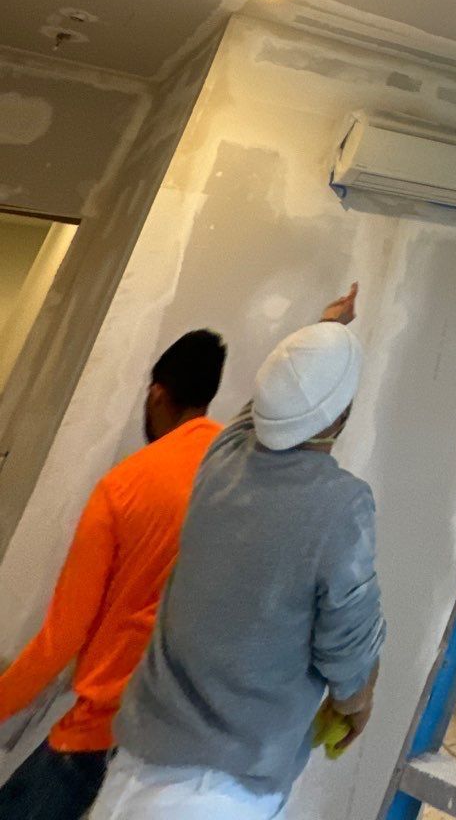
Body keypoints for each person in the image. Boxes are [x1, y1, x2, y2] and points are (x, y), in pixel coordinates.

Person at [94, 285, 384, 820]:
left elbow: (269, 409)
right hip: (216, 794)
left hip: (133, 767)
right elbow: (350, 642)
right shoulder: (340, 506)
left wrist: (326, 330)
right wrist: (356, 701)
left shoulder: (221, 458)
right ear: (341, 415)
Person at [0, 330, 228, 820]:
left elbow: (60, 639)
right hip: (190, 744)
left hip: (106, 732)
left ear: (157, 393)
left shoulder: (123, 487)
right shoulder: (239, 473)